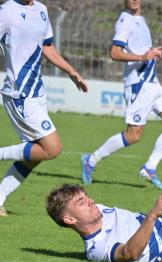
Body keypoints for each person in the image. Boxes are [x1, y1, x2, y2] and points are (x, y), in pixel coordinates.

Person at [81, 0, 162, 190]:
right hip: (138, 84)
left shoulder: (141, 19)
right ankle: (91, 160)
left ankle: (149, 168)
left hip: (153, 83)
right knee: (134, 135)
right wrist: (142, 57)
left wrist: (152, 54)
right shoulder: (125, 21)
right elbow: (115, 52)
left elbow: (141, 50)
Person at [0, 0, 88, 216]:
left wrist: (71, 71)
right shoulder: (6, 11)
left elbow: (47, 46)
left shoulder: (41, 10)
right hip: (19, 93)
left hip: (37, 92)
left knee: (35, 156)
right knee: (52, 148)